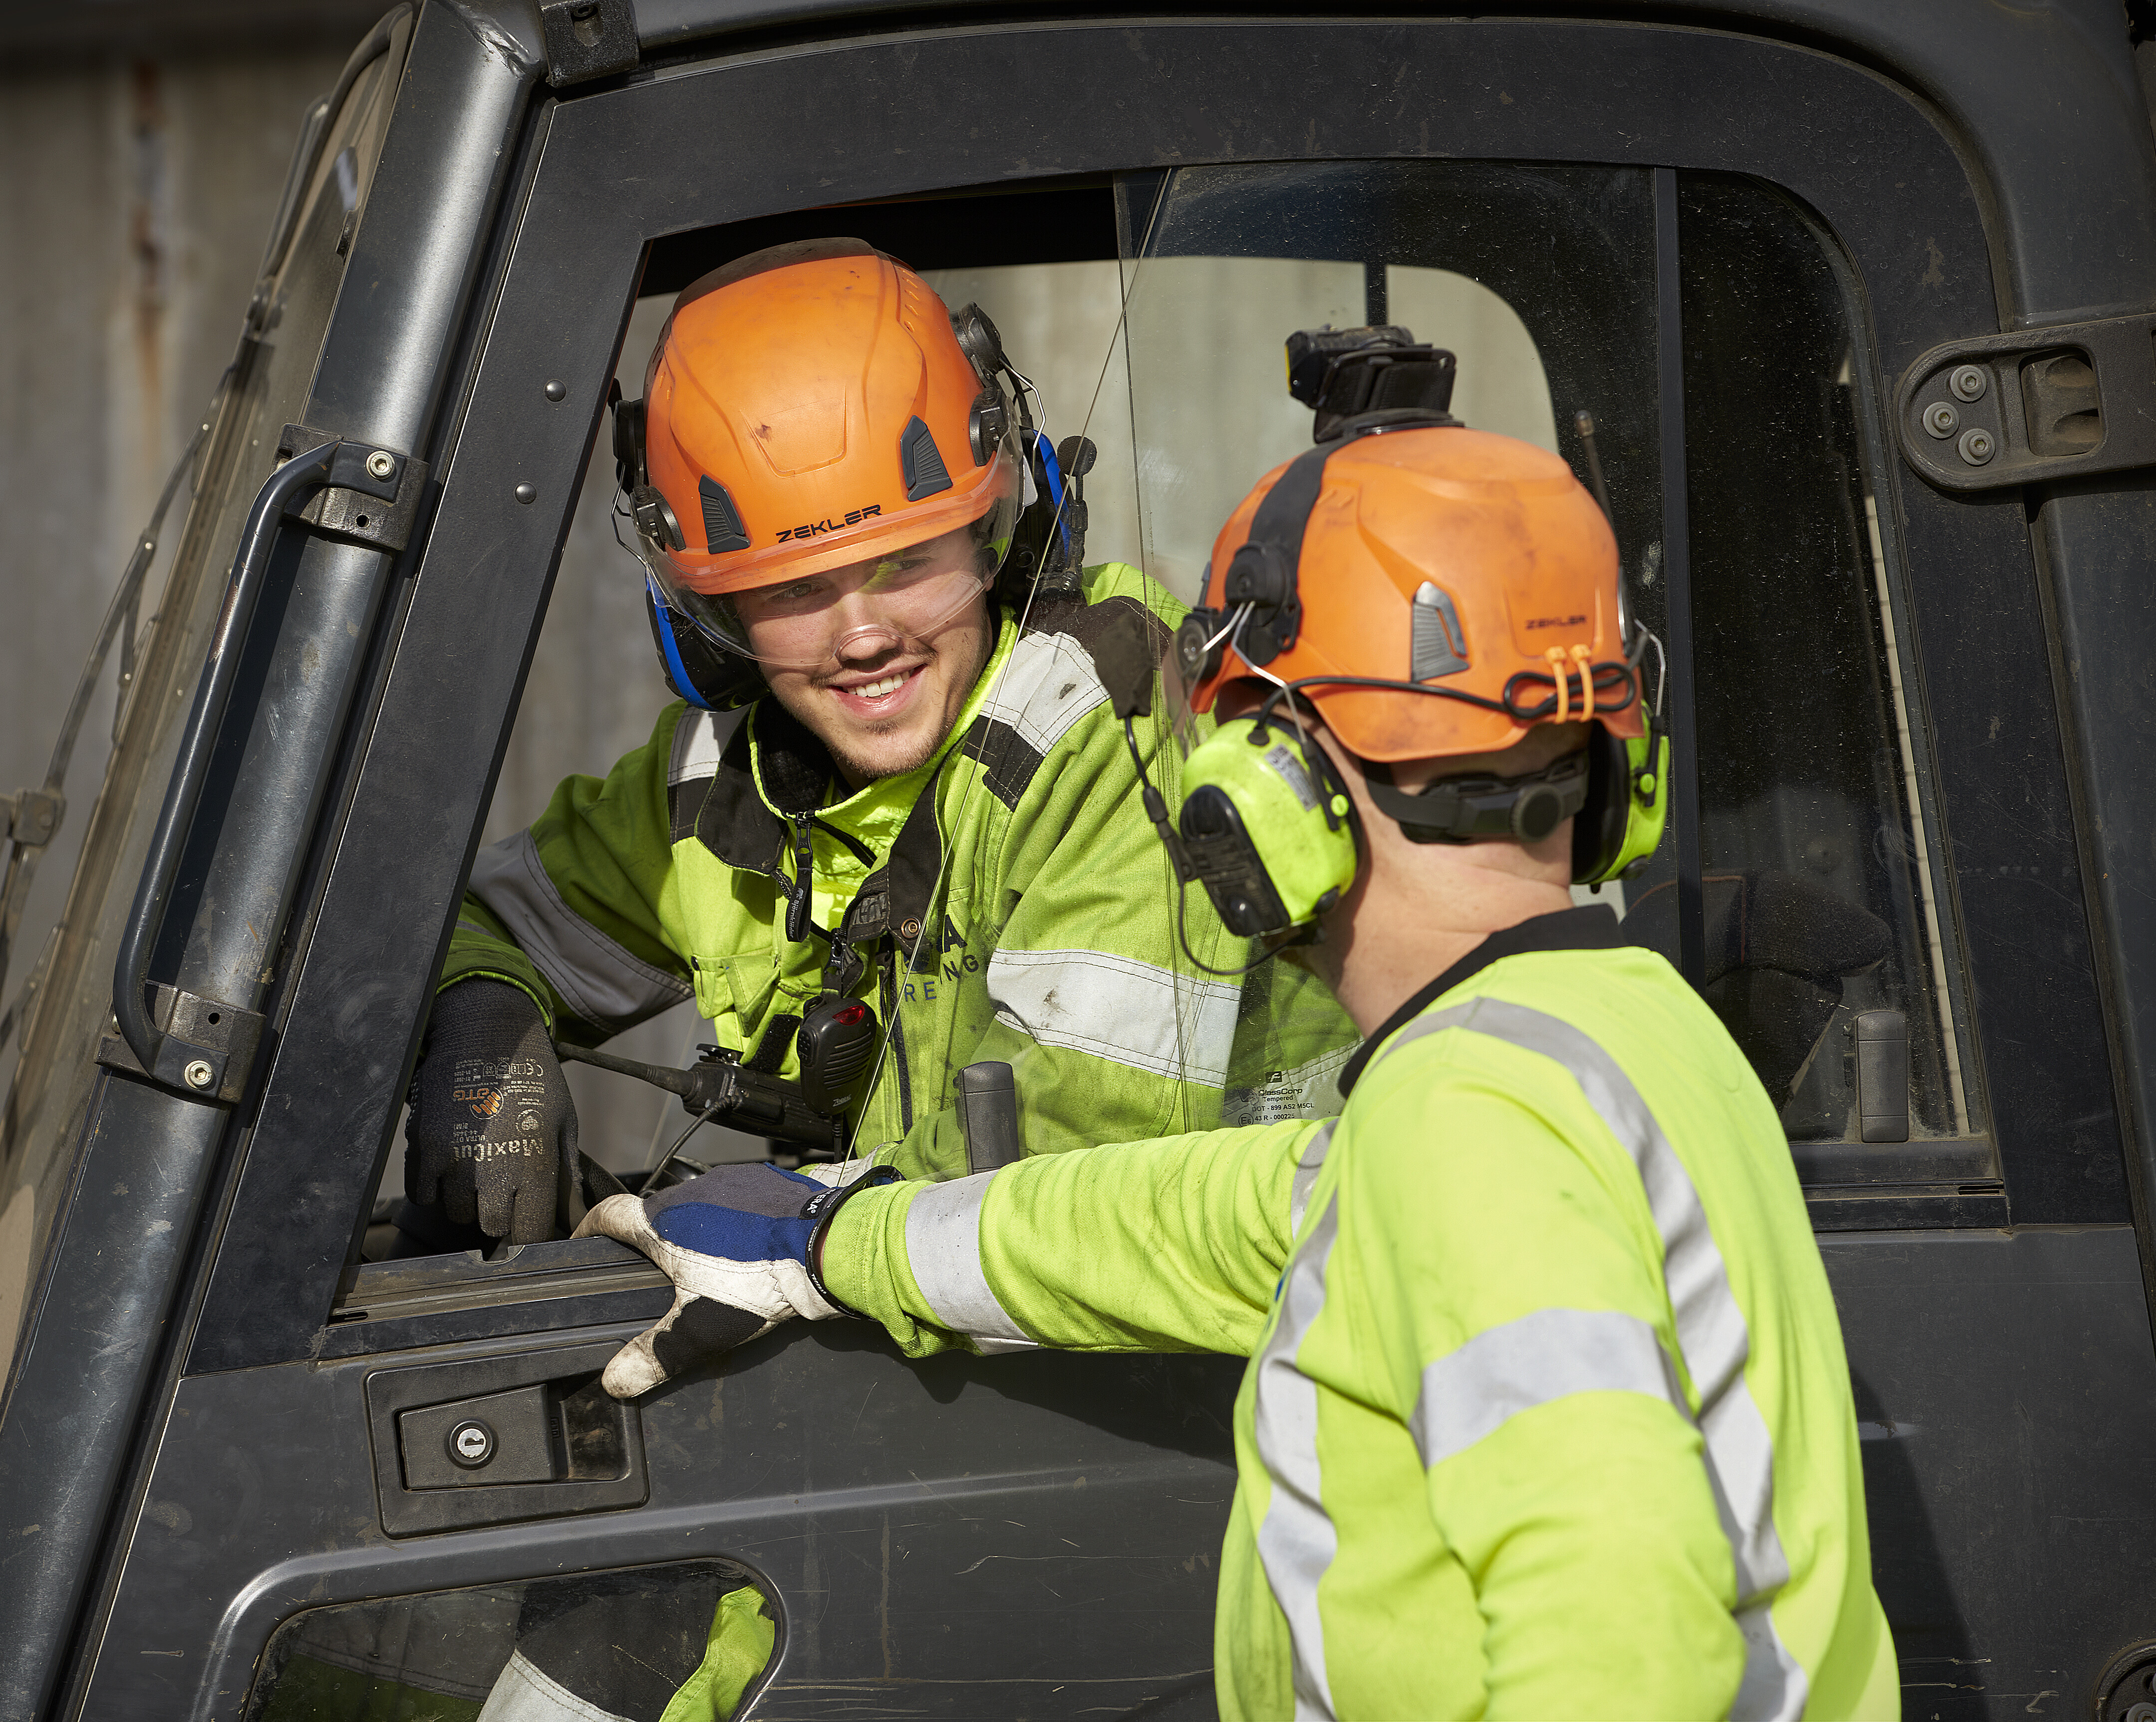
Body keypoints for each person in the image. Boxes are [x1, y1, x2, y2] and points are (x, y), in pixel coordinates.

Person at [579, 334, 1899, 1718]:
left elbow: (1625, 1643)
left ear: (1260, 793)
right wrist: (832, 1241)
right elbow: (1231, 1214)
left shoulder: (1475, 1121)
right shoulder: (1606, 1038)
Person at [396, 237, 1351, 1254]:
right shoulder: (720, 788)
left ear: (999, 523)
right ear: (705, 614)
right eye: (793, 591)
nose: (862, 639)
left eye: (907, 564)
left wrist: (789, 1238)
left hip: (1211, 1346)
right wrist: (485, 1025)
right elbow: (466, 929)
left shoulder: (1105, 718)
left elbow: (1077, 1177)